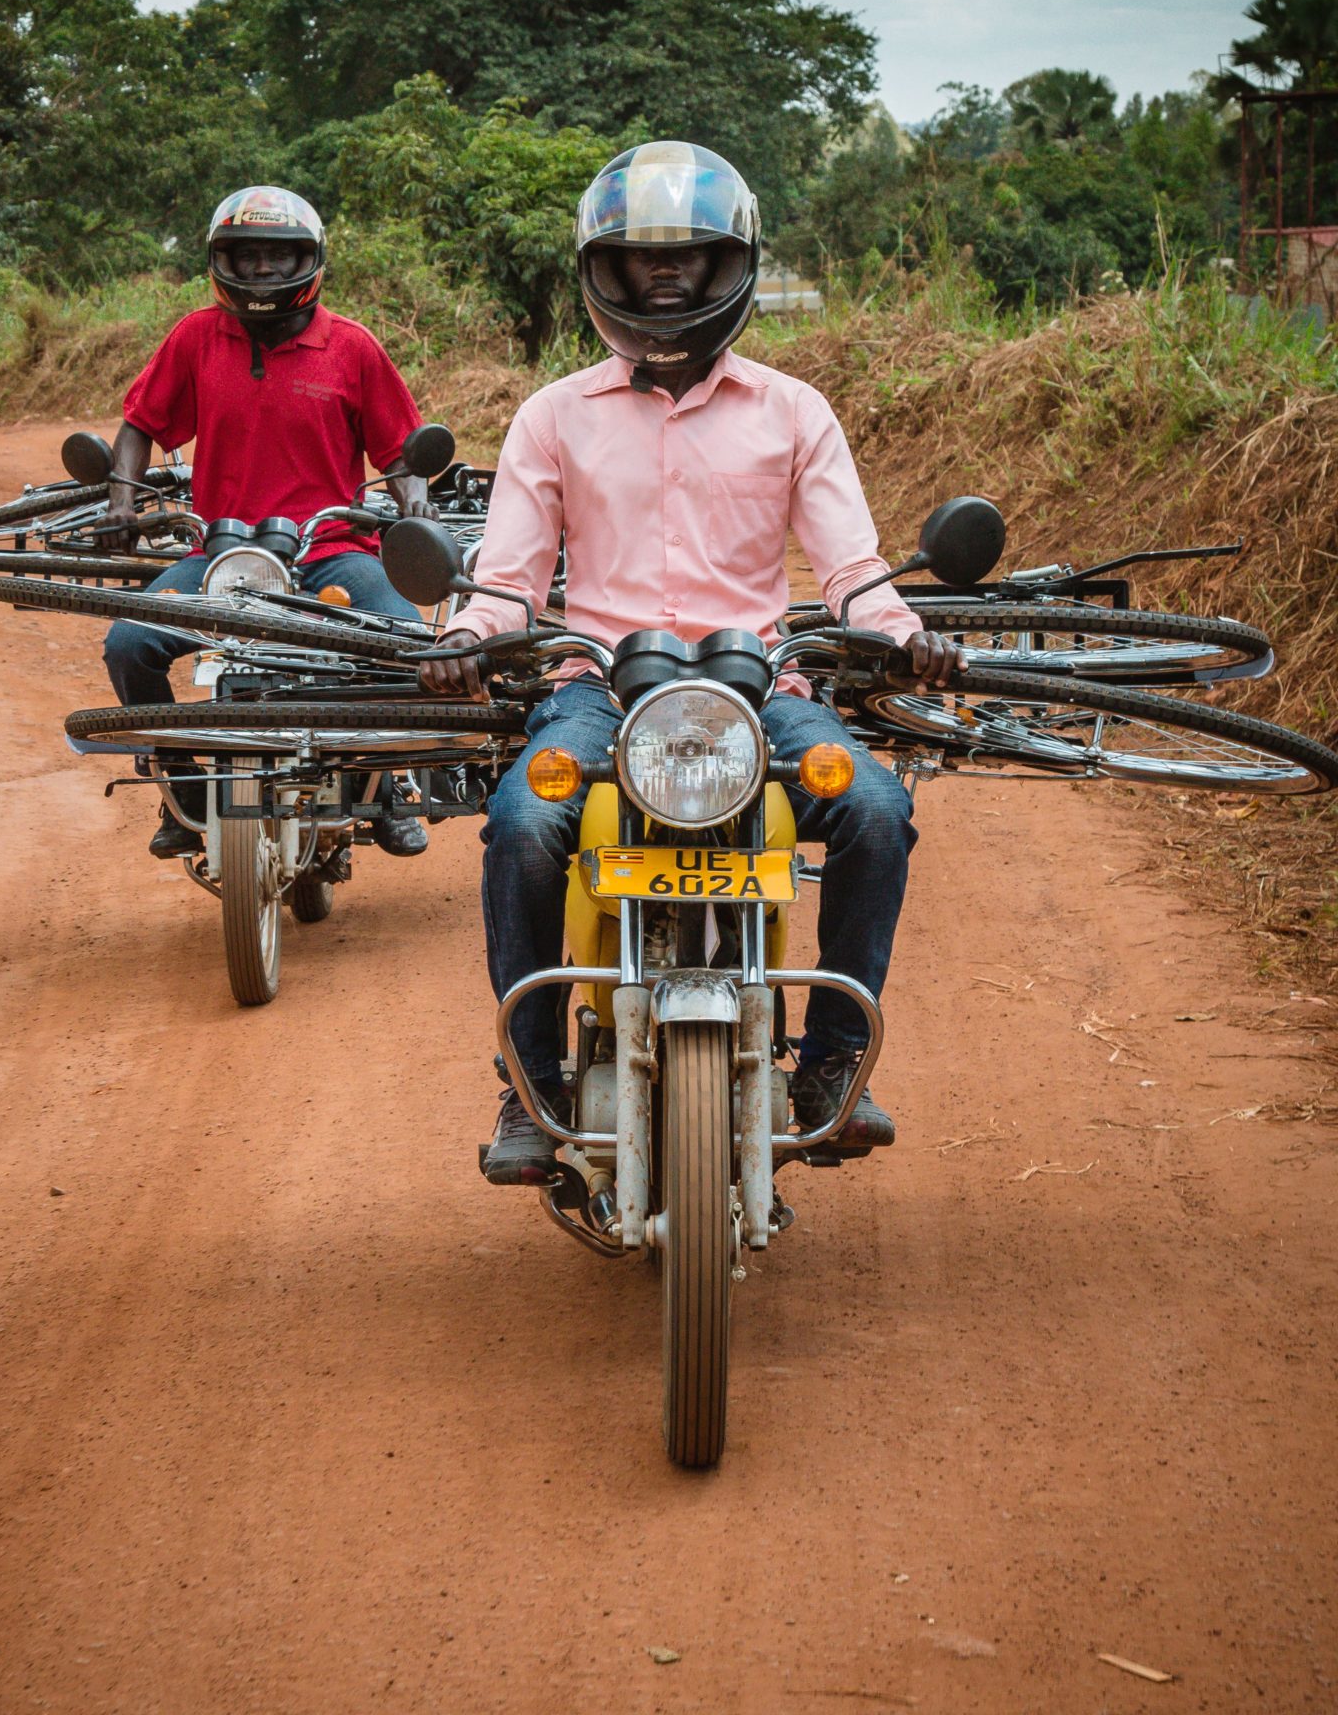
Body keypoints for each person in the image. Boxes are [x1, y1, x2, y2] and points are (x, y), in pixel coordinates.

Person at [419, 141, 964, 1179]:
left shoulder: (794, 411)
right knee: (524, 824)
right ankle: (529, 1088)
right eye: (638, 263)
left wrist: (904, 638)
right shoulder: (552, 417)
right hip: (597, 690)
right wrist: (462, 641)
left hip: (760, 682)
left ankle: (834, 1066)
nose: (664, 280)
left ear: (736, 265)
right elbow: (508, 586)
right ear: (601, 273)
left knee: (879, 811)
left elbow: (853, 572)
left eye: (691, 260)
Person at [101, 184, 431, 860]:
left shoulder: (352, 347)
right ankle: (183, 785)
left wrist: (415, 507)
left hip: (332, 550)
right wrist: (120, 500)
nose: (261, 272)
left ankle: (381, 784)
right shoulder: (196, 338)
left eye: (277, 258)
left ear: (306, 261)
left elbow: (401, 450)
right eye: (246, 257)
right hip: (221, 552)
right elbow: (140, 424)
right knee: (128, 645)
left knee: (404, 637)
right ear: (223, 261)